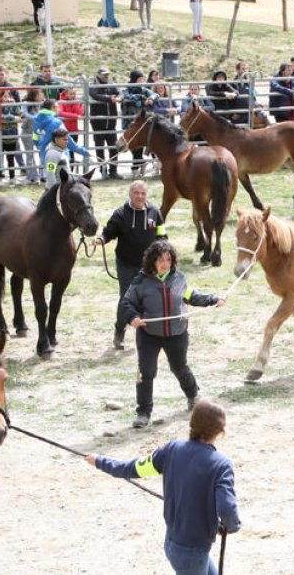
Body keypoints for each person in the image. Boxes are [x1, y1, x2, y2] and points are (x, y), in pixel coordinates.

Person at [84, 400, 241, 575]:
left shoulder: (171, 450)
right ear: (221, 430)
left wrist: (99, 461)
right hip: (192, 553)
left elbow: (132, 468)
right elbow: (227, 509)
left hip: (174, 544)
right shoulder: (221, 466)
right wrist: (231, 526)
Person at [120, 241, 226, 428]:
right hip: (148, 335)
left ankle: (193, 396)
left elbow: (193, 296)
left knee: (180, 367)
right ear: (152, 261)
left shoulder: (179, 279)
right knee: (147, 372)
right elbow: (126, 304)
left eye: (168, 259)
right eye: (160, 260)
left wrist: (213, 300)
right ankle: (143, 412)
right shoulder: (140, 282)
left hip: (177, 333)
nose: (165, 264)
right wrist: (133, 318)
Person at [94, 181, 167, 350]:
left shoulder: (155, 213)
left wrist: (164, 254)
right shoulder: (120, 214)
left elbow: (162, 236)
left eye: (143, 193)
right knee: (126, 301)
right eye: (136, 193)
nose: (140, 196)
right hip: (126, 264)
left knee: (150, 300)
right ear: (130, 194)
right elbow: (109, 232)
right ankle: (119, 330)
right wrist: (101, 240)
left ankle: (147, 335)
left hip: (149, 266)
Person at [89, 67, 123, 179]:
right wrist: (109, 98)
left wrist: (118, 98)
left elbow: (121, 93)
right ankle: (103, 170)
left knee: (113, 147)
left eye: (107, 74)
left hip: (111, 122)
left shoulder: (111, 85)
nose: (106, 76)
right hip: (98, 122)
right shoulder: (93, 85)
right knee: (100, 147)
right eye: (104, 74)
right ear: (98, 75)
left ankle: (113, 170)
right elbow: (95, 95)